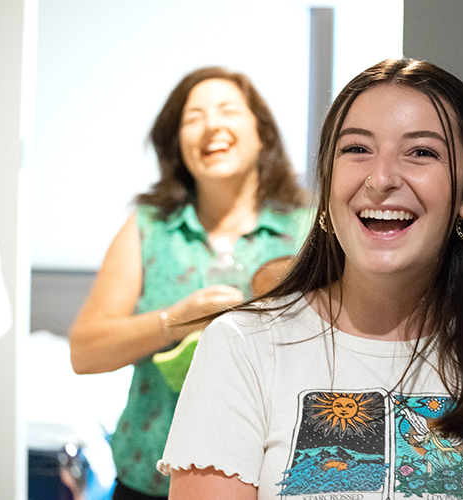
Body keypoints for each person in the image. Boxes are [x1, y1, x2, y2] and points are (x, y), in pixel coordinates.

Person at [159, 59, 463, 499]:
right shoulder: (243, 346)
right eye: (357, 149)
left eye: (422, 152)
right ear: (328, 183)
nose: (381, 179)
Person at [69, 66, 310, 499]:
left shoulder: (311, 230)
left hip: (272, 479)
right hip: (149, 478)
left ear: (263, 135)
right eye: (193, 117)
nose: (212, 125)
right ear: (177, 144)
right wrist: (175, 321)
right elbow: (85, 352)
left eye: (227, 110)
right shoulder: (148, 228)